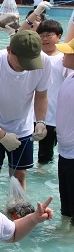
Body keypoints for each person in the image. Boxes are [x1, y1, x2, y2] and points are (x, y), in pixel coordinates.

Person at [0, 30, 51, 199]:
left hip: (22, 125)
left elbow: (41, 95)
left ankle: (16, 215)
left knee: (20, 174)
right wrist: (1, 135)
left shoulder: (44, 63)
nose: (26, 66)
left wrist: (41, 121)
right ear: (9, 50)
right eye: (22, 61)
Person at [36, 20, 66, 165]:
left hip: (53, 115)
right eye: (41, 36)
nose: (45, 39)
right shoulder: (35, 56)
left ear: (59, 36)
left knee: (45, 156)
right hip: (32, 112)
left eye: (49, 35)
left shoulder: (64, 59)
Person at [55, 36, 74, 222]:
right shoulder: (69, 76)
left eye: (68, 52)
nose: (63, 54)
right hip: (64, 152)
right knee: (66, 208)